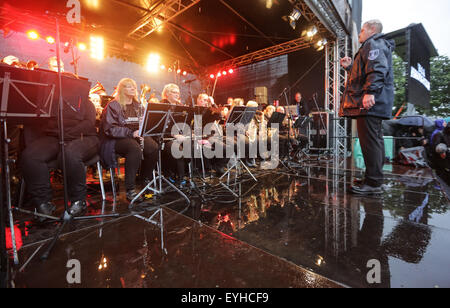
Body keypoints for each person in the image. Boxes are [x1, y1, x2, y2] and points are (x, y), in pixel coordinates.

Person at [21, 82, 100, 217]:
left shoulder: (87, 103)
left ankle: (78, 201)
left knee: (70, 154)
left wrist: (66, 135)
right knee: (30, 156)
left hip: (83, 137)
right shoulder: (53, 102)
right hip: (56, 137)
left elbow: (88, 123)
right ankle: (43, 203)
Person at [340, 19, 395, 195]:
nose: (359, 34)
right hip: (376, 102)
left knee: (370, 142)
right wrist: (350, 67)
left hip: (371, 102)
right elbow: (364, 73)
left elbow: (377, 68)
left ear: (372, 30)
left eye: (362, 30)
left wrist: (370, 92)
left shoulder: (374, 43)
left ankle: (373, 183)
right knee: (375, 140)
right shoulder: (375, 44)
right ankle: (374, 179)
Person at [99, 78, 159, 202]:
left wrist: (144, 128)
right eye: (128, 86)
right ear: (121, 89)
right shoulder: (113, 105)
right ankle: (130, 189)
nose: (133, 88)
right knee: (134, 148)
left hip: (136, 135)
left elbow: (145, 123)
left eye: (134, 86)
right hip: (117, 139)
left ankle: (146, 181)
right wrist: (131, 133)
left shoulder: (138, 105)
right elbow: (109, 129)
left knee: (153, 147)